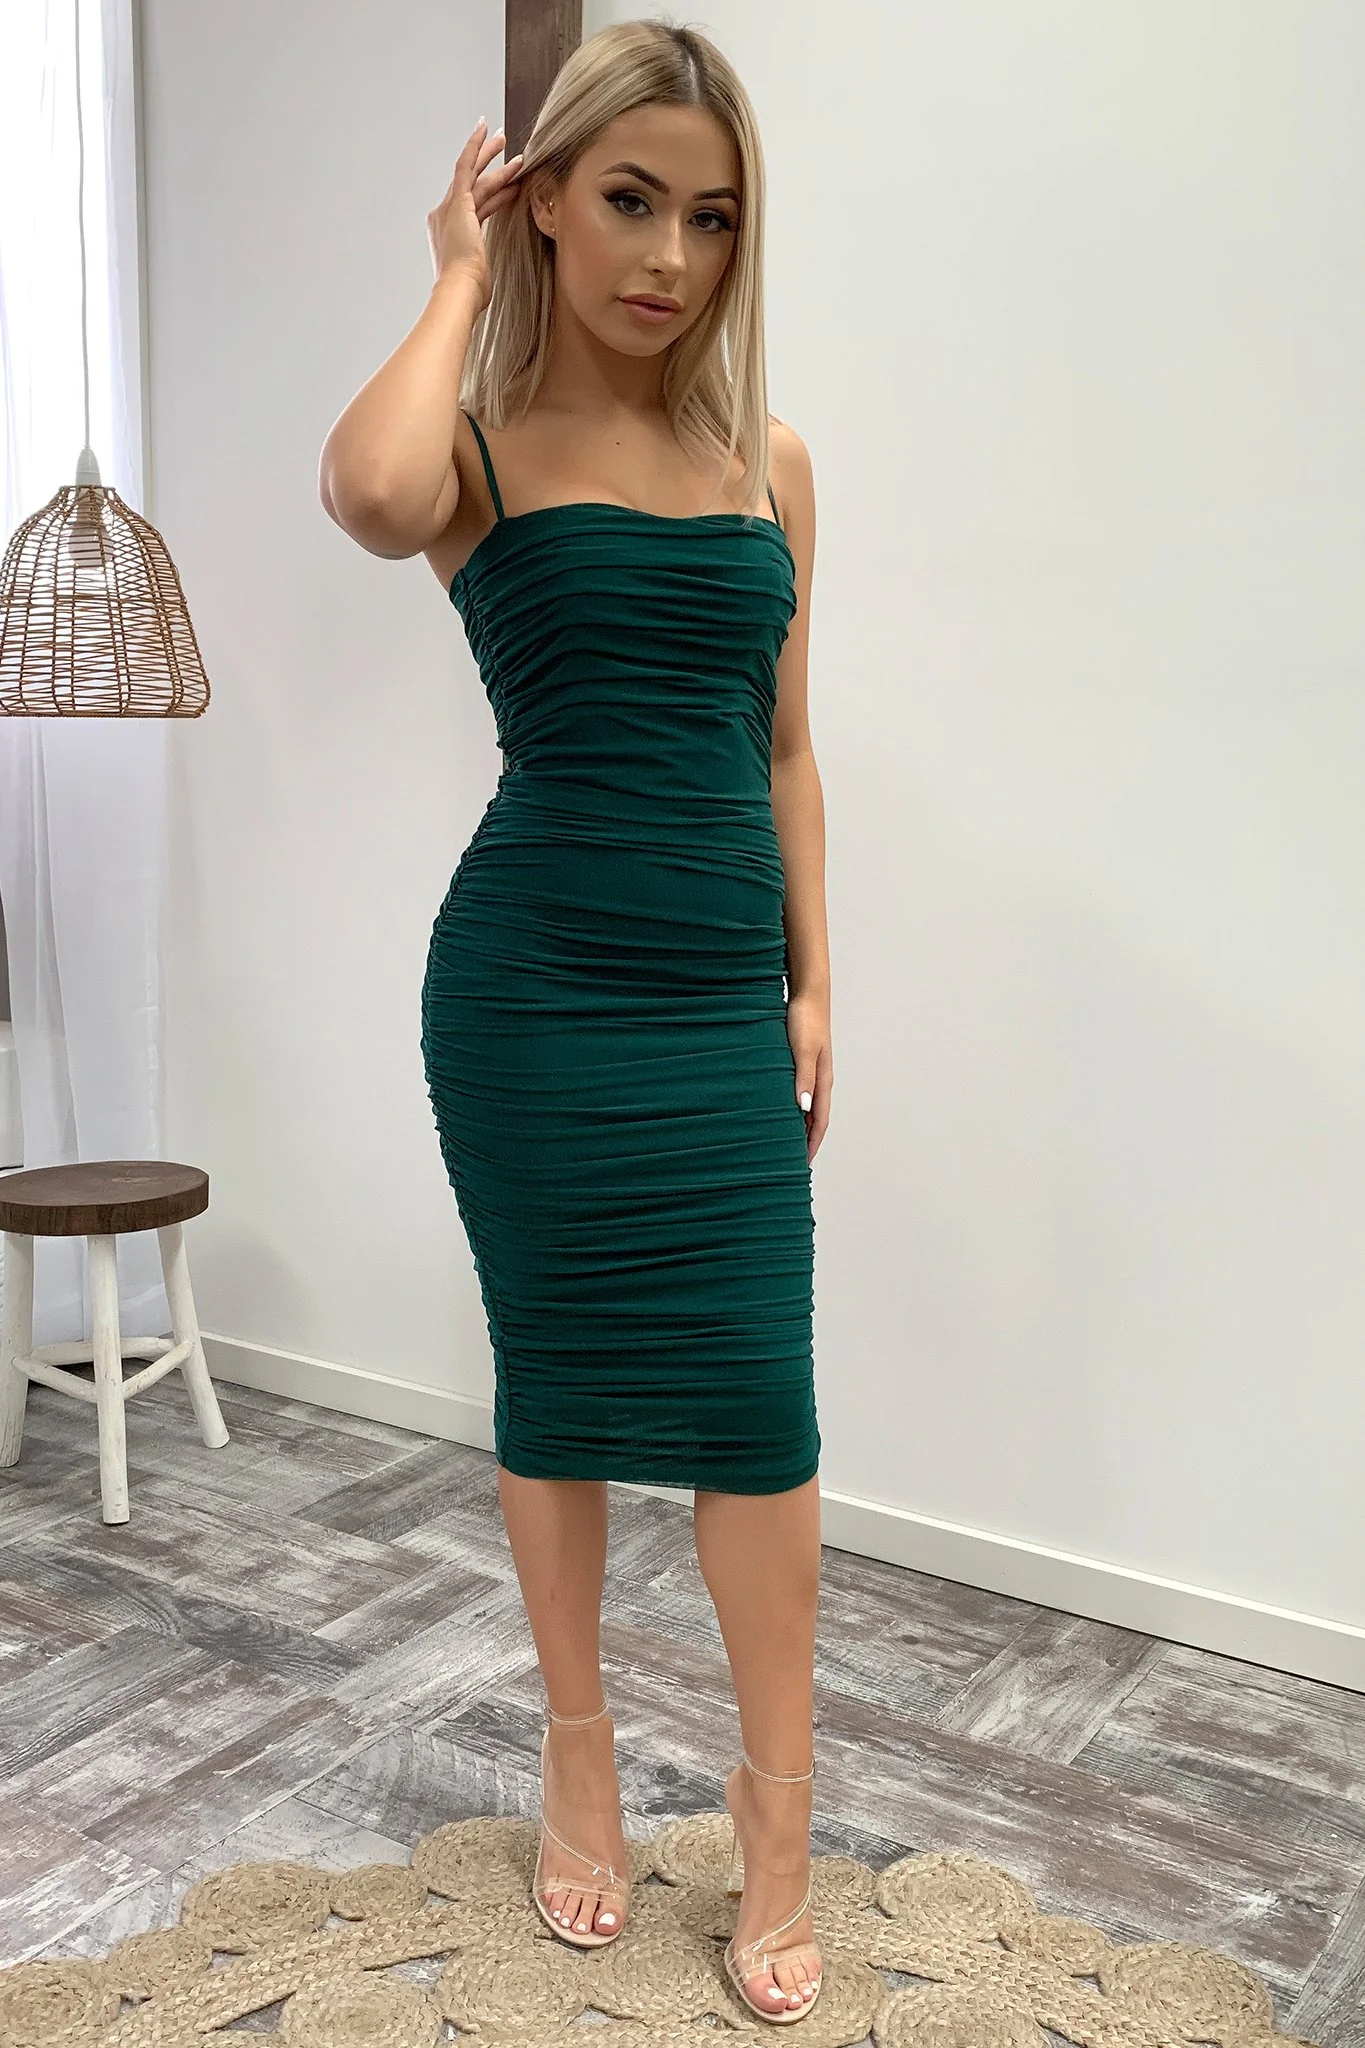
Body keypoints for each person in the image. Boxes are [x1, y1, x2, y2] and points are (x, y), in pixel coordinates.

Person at [319, 19, 833, 2025]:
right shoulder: (476, 452)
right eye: (630, 200)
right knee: (556, 1387)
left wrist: (816, 978)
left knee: (756, 1413)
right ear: (547, 201)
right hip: (531, 996)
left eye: (712, 217)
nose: (671, 256)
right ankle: (579, 1761)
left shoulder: (770, 464)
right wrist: (458, 270)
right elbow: (365, 490)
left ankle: (779, 1821)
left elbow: (783, 748)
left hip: (713, 1000)